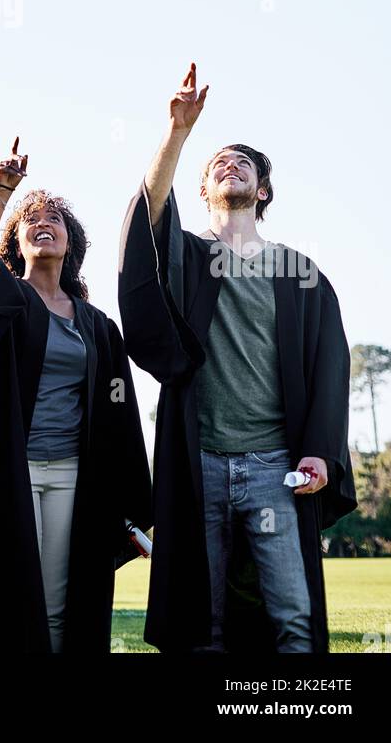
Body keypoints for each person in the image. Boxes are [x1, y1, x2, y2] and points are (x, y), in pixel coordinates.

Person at [118, 63, 357, 654]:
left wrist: (322, 451)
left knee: (294, 619)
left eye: (243, 163)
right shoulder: (191, 260)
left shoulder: (300, 275)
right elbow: (148, 219)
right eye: (218, 164)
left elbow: (331, 368)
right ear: (202, 191)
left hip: (277, 468)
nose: (230, 166)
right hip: (201, 463)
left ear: (264, 190)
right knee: (206, 622)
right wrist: (177, 133)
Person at [0, 140, 152, 655]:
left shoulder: (95, 325)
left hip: (76, 474)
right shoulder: (7, 297)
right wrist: (4, 192)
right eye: (32, 221)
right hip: (10, 471)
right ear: (17, 243)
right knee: (14, 591)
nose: (43, 224)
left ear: (71, 243)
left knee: (65, 597)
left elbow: (119, 418)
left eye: (55, 220)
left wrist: (128, 504)